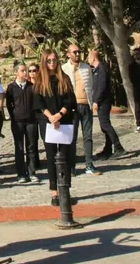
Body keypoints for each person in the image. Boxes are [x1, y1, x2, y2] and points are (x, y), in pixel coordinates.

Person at [32, 51, 76, 206]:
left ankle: (66, 189)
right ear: (44, 62)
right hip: (47, 122)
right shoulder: (40, 81)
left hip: (64, 121)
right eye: (49, 60)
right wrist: (51, 117)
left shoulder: (64, 78)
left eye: (54, 60)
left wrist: (59, 115)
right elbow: (38, 103)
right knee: (51, 157)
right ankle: (54, 192)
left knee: (65, 156)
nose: (52, 62)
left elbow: (70, 100)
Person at [62, 44, 100, 176]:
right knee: (72, 138)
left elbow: (92, 86)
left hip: (86, 105)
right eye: (75, 52)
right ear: (68, 54)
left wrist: (93, 102)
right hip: (72, 107)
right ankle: (71, 167)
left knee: (88, 137)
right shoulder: (64, 69)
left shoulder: (86, 67)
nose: (77, 54)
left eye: (79, 51)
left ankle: (89, 164)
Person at [88, 50, 125, 158]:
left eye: (89, 57)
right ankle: (108, 149)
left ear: (93, 58)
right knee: (104, 125)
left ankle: (118, 147)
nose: (88, 60)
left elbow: (102, 87)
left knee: (105, 125)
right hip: (101, 101)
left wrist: (96, 101)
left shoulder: (102, 69)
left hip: (104, 101)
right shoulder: (96, 70)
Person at [6, 61, 38, 183]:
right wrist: (14, 116)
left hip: (30, 121)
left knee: (31, 146)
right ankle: (21, 174)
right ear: (16, 72)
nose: (25, 73)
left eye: (26, 70)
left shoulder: (31, 86)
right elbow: (9, 104)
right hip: (17, 121)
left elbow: (35, 103)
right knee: (19, 147)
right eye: (23, 70)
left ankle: (32, 172)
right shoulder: (11, 87)